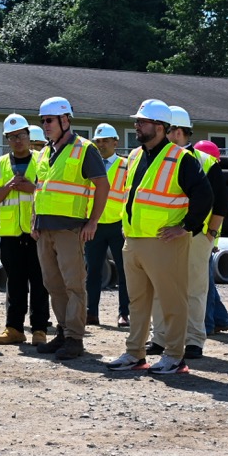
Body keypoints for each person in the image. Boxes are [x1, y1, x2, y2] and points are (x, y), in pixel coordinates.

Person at [105, 100, 211, 375]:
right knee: (137, 302)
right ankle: (134, 353)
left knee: (172, 300)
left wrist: (186, 227)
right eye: (137, 121)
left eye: (142, 122)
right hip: (135, 239)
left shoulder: (182, 158)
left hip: (165, 241)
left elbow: (204, 196)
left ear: (161, 127)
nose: (137, 126)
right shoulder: (135, 156)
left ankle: (175, 356)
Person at [32, 97, 110, 361]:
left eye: (49, 120)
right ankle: (64, 333)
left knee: (74, 284)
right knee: (53, 284)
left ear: (65, 120)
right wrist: (35, 220)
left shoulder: (84, 149)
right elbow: (39, 188)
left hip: (70, 228)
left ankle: (75, 339)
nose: (45, 125)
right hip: (45, 229)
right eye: (43, 121)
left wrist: (93, 221)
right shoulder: (45, 151)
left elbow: (102, 185)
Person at [149, 105, 227, 359]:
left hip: (195, 237)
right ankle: (159, 338)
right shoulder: (156, 158)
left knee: (194, 289)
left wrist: (210, 234)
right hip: (162, 236)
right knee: (160, 289)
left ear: (176, 131)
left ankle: (194, 340)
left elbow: (220, 203)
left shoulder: (205, 162)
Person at [0, 114, 49, 347]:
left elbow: (48, 192)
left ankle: (40, 329)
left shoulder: (43, 161)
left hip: (36, 232)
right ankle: (14, 328)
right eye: (12, 137)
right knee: (15, 282)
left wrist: (29, 188)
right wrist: (10, 186)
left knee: (40, 282)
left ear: (29, 137)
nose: (17, 141)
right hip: (11, 233)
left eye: (21, 136)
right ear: (6, 139)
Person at [86, 123, 129, 328]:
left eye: (105, 141)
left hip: (118, 224)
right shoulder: (90, 164)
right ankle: (91, 312)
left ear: (115, 142)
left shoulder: (126, 165)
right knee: (92, 270)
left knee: (124, 270)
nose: (101, 145)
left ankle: (124, 313)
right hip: (94, 224)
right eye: (98, 141)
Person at [194, 139, 228, 336]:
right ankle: (221, 319)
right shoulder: (211, 175)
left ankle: (208, 324)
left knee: (205, 285)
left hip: (204, 237)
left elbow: (217, 210)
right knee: (207, 283)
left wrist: (210, 237)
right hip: (208, 237)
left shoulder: (206, 177)